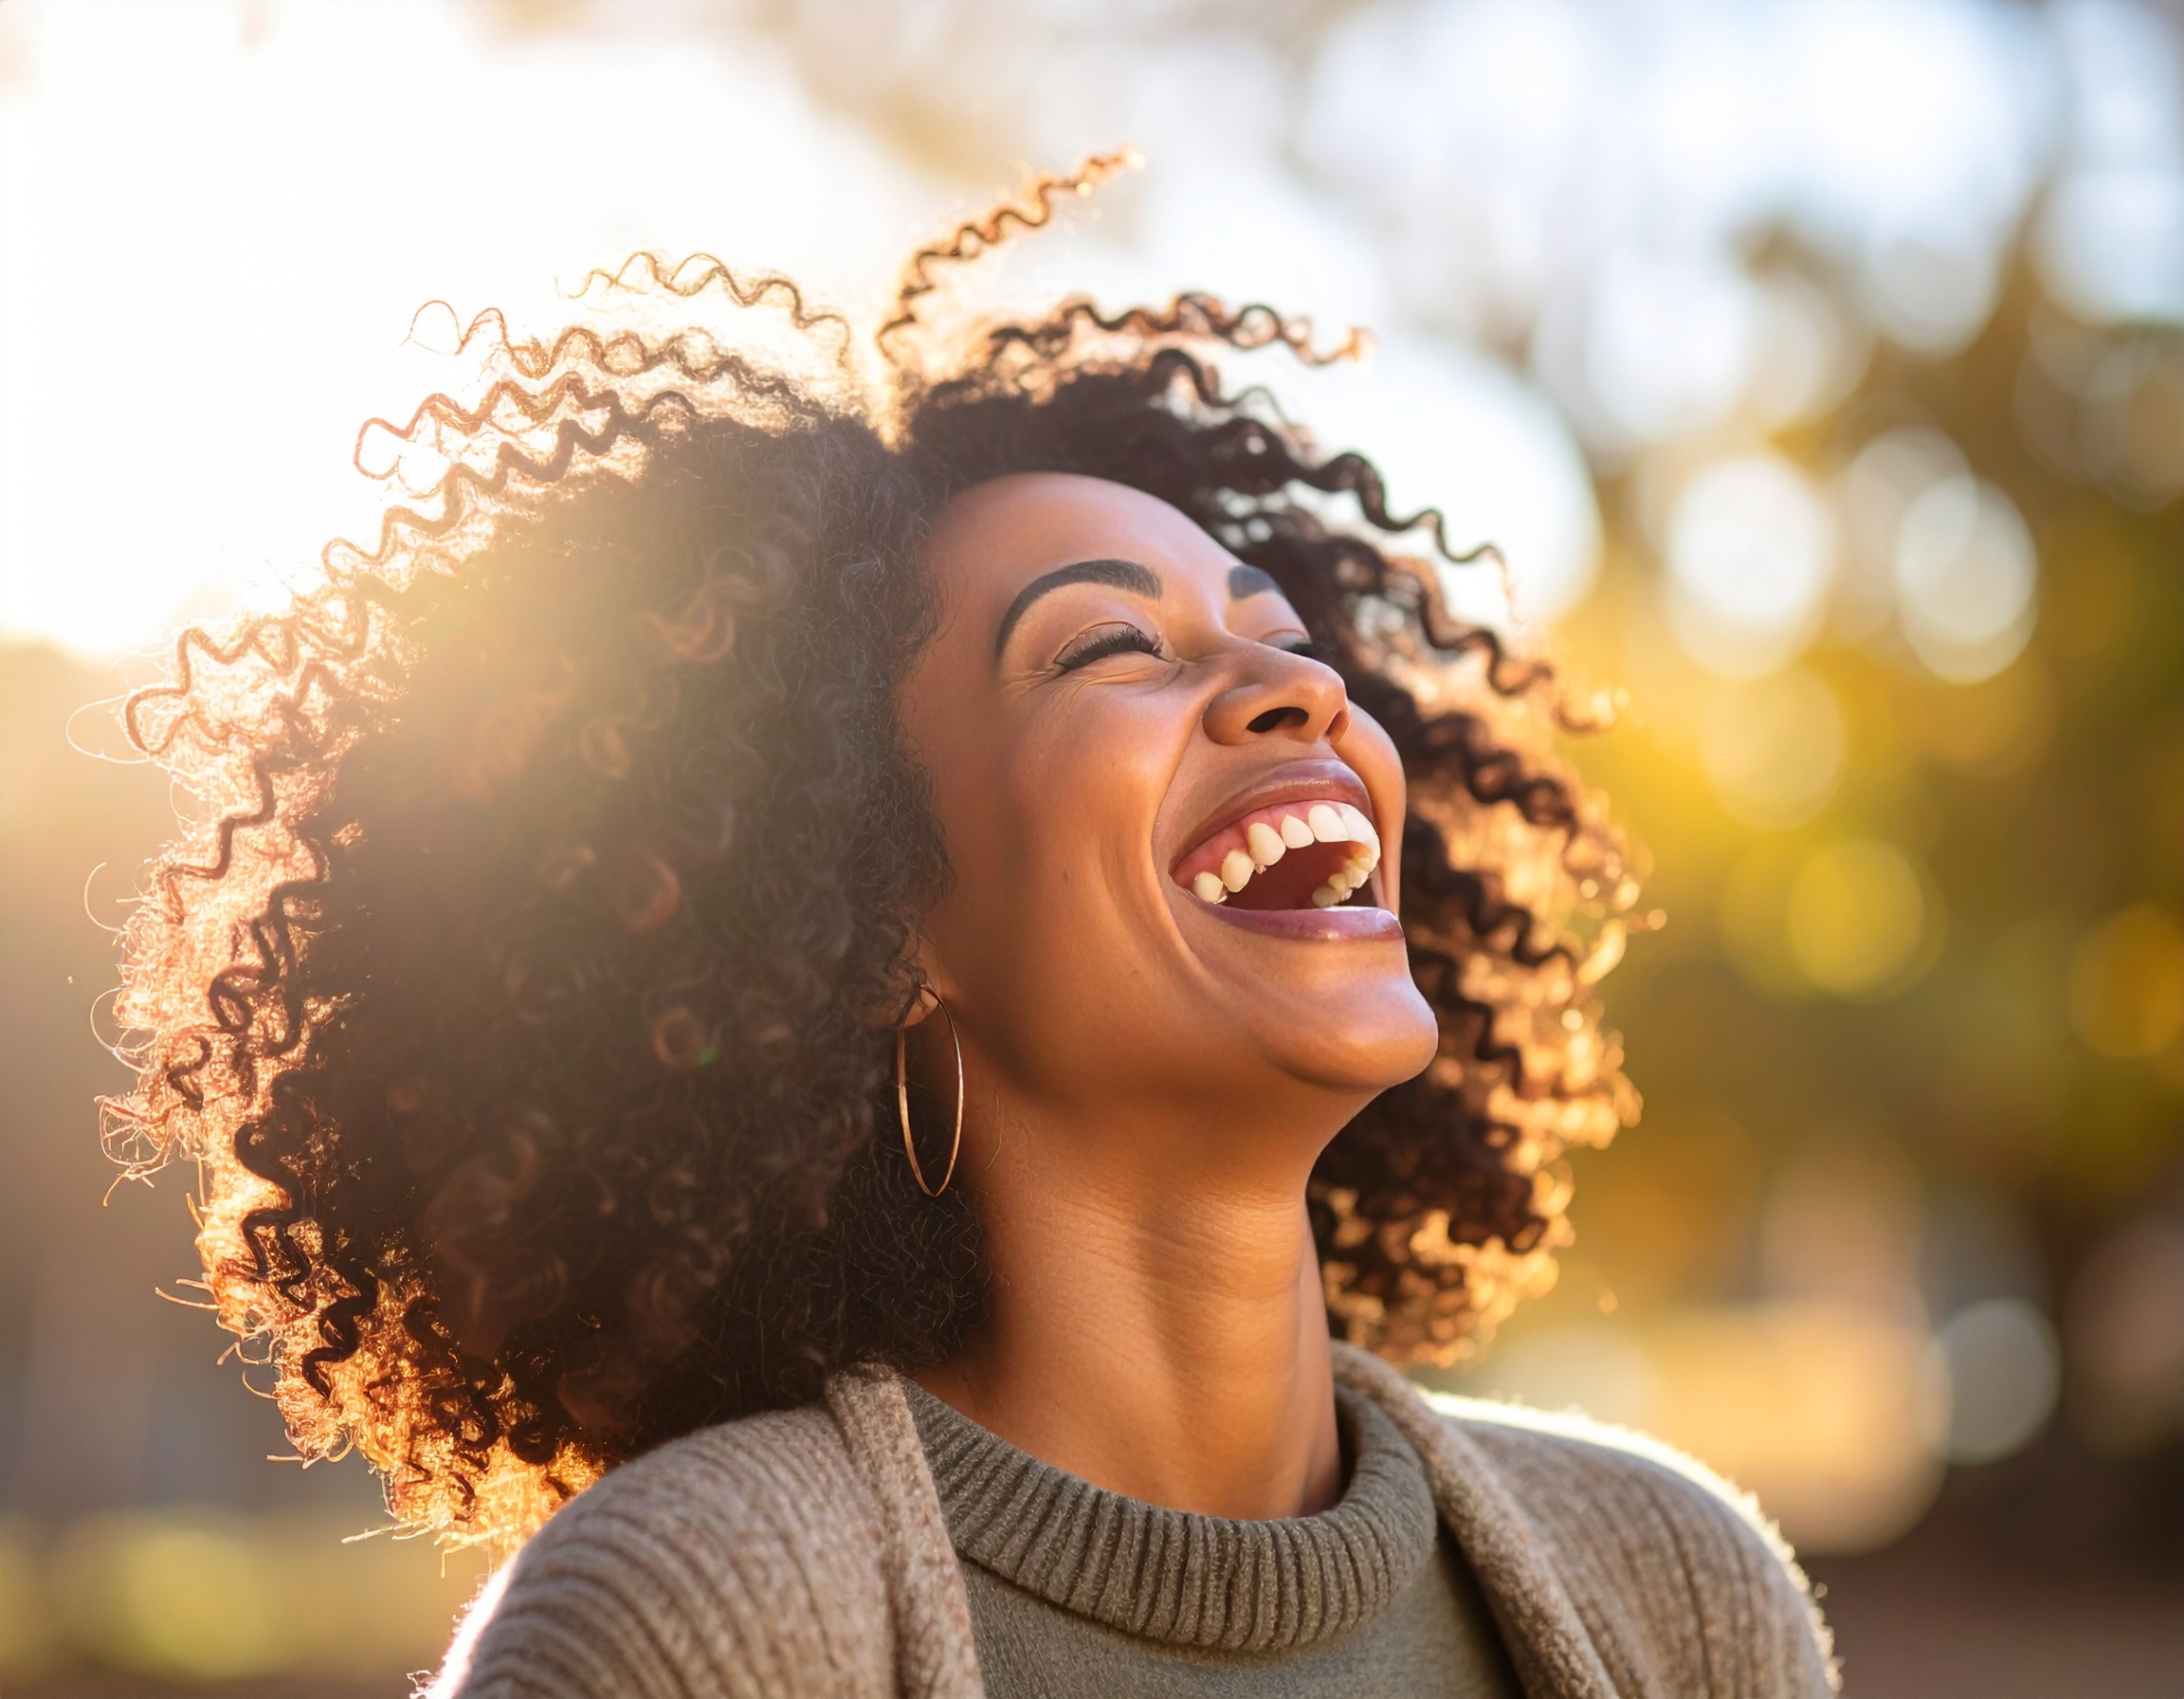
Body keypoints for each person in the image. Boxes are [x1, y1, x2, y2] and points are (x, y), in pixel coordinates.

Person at [109, 162, 1835, 1697]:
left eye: (1282, 631)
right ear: (875, 933)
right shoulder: (698, 1630)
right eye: (1108, 651)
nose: (1292, 688)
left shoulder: (1674, 1593)